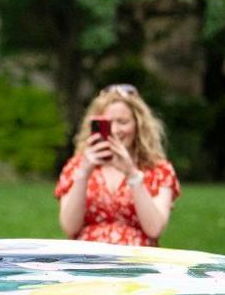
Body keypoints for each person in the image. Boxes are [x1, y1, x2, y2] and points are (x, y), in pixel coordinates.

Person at [56, 84, 179, 246]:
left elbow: (154, 229)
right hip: (87, 262)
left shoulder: (159, 170)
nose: (114, 130)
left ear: (138, 125)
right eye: (107, 123)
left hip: (135, 263)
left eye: (122, 122)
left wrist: (132, 174)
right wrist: (83, 173)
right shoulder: (77, 166)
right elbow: (69, 227)